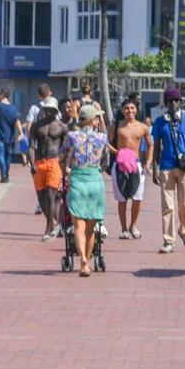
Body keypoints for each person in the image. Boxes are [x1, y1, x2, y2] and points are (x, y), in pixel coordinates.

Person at [60, 104, 109, 276]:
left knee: (78, 225)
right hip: (95, 180)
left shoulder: (71, 136)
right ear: (92, 120)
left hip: (77, 181)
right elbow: (106, 162)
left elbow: (61, 156)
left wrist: (67, 169)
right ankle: (85, 262)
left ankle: (83, 261)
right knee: (91, 228)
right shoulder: (102, 138)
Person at [151, 87, 185, 254]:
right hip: (166, 167)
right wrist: (154, 169)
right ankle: (168, 240)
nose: (173, 103)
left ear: (181, 102)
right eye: (170, 101)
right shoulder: (159, 122)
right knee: (167, 206)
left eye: (176, 100)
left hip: (184, 168)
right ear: (166, 103)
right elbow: (156, 146)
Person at [109, 98, 153, 240]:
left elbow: (150, 145)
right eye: (127, 108)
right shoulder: (117, 125)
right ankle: (123, 229)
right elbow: (107, 143)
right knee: (122, 199)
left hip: (136, 165)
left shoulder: (142, 127)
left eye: (132, 108)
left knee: (137, 197)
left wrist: (148, 162)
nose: (130, 111)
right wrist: (119, 153)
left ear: (136, 110)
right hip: (119, 165)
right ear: (122, 110)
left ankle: (133, 225)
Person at [29, 98, 68, 241]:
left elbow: (66, 149)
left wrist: (64, 165)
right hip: (39, 162)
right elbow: (32, 146)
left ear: (55, 111)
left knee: (52, 195)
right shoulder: (37, 126)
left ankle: (47, 229)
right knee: (41, 197)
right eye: (47, 109)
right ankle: (53, 223)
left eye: (52, 109)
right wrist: (31, 163)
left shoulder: (62, 127)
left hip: (54, 162)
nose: (49, 112)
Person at [0, 88, 23, 183]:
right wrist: (21, 133)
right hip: (10, 136)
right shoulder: (13, 108)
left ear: (3, 94)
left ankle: (3, 174)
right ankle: (6, 174)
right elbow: (17, 121)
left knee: (0, 155)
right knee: (8, 156)